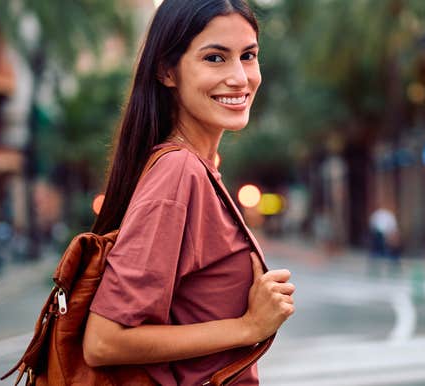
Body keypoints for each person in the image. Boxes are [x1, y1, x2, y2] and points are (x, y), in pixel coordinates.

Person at [81, 1, 296, 385]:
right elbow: (104, 340)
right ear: (167, 71)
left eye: (248, 56)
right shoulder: (179, 173)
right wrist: (248, 326)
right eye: (215, 58)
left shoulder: (199, 168)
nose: (239, 78)